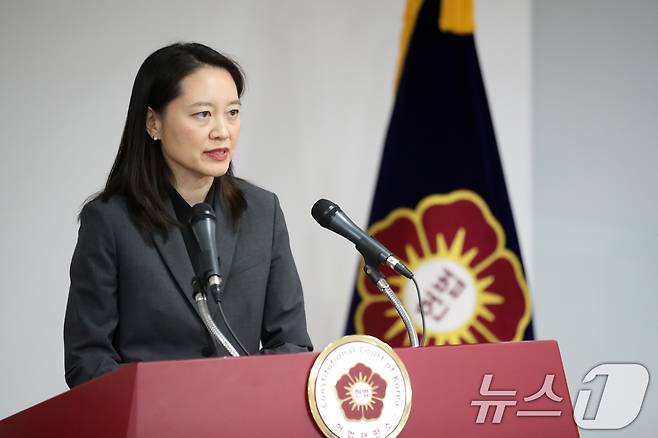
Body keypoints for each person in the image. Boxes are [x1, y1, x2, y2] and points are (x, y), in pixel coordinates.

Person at [64, 42, 313, 388]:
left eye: (232, 112)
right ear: (153, 122)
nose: (222, 131)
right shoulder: (110, 221)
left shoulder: (261, 211)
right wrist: (175, 399)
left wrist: (235, 392)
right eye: (203, 114)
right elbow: (87, 361)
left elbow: (292, 344)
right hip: (153, 414)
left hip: (243, 411)